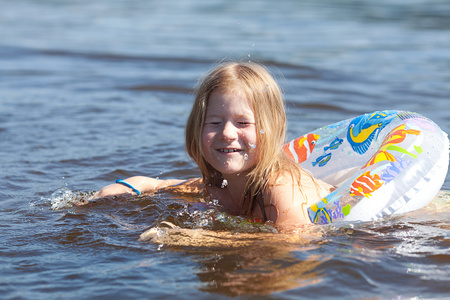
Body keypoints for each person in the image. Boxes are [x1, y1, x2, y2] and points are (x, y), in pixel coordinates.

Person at [90, 62, 333, 230]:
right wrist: (137, 184)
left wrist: (201, 238)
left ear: (270, 128)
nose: (227, 133)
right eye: (214, 122)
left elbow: (294, 247)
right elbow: (176, 186)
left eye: (243, 122)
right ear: (197, 129)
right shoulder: (220, 184)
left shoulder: (281, 190)